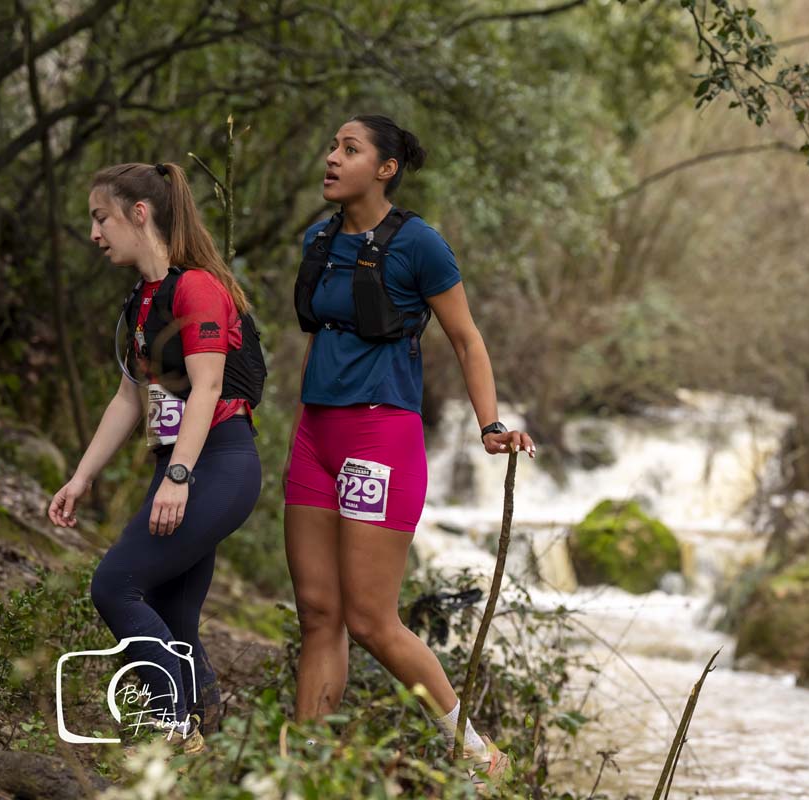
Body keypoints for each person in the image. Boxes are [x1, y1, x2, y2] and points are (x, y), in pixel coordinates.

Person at [284, 114, 533, 788]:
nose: (332, 157)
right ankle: (303, 774)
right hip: (315, 437)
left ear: (385, 168)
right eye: (332, 146)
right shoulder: (317, 240)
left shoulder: (419, 243)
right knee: (319, 615)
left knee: (370, 619)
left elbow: (467, 339)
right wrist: (304, 420)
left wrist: (490, 425)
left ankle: (479, 754)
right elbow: (321, 338)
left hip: (378, 439)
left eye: (350, 149)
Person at [48, 162, 266, 753]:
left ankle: (172, 728)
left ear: (139, 214)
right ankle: (204, 743)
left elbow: (210, 387)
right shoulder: (142, 300)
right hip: (181, 464)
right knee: (173, 612)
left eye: (101, 218)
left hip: (216, 462)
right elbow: (128, 398)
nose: (94, 234)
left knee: (114, 586)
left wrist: (178, 476)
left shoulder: (197, 287)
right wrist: (81, 477)